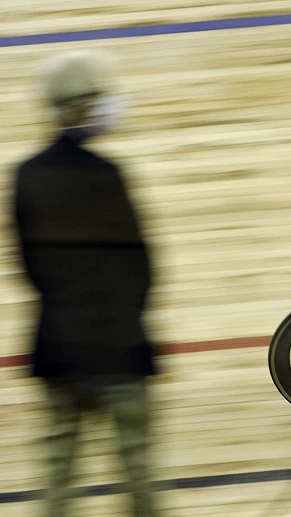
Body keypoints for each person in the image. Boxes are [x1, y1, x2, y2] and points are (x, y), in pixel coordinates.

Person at [12, 50, 158, 517]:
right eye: (94, 99)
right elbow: (142, 264)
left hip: (57, 342)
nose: (103, 106)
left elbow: (27, 266)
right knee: (137, 470)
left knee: (59, 470)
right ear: (74, 107)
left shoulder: (26, 175)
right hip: (119, 342)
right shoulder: (108, 174)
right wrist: (128, 312)